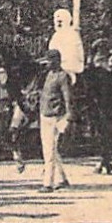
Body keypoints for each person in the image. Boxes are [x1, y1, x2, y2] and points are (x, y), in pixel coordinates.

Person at [37, 49, 73, 192]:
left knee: (49, 150)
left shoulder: (62, 76)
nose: (47, 63)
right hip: (45, 114)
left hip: (55, 116)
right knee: (52, 149)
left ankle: (48, 183)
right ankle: (61, 179)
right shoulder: (48, 75)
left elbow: (67, 96)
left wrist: (69, 115)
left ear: (57, 61)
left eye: (50, 60)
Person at [49, 9, 85, 77]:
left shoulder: (72, 35)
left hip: (68, 70)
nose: (59, 24)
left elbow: (73, 56)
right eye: (57, 21)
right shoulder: (56, 35)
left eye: (61, 21)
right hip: (56, 69)